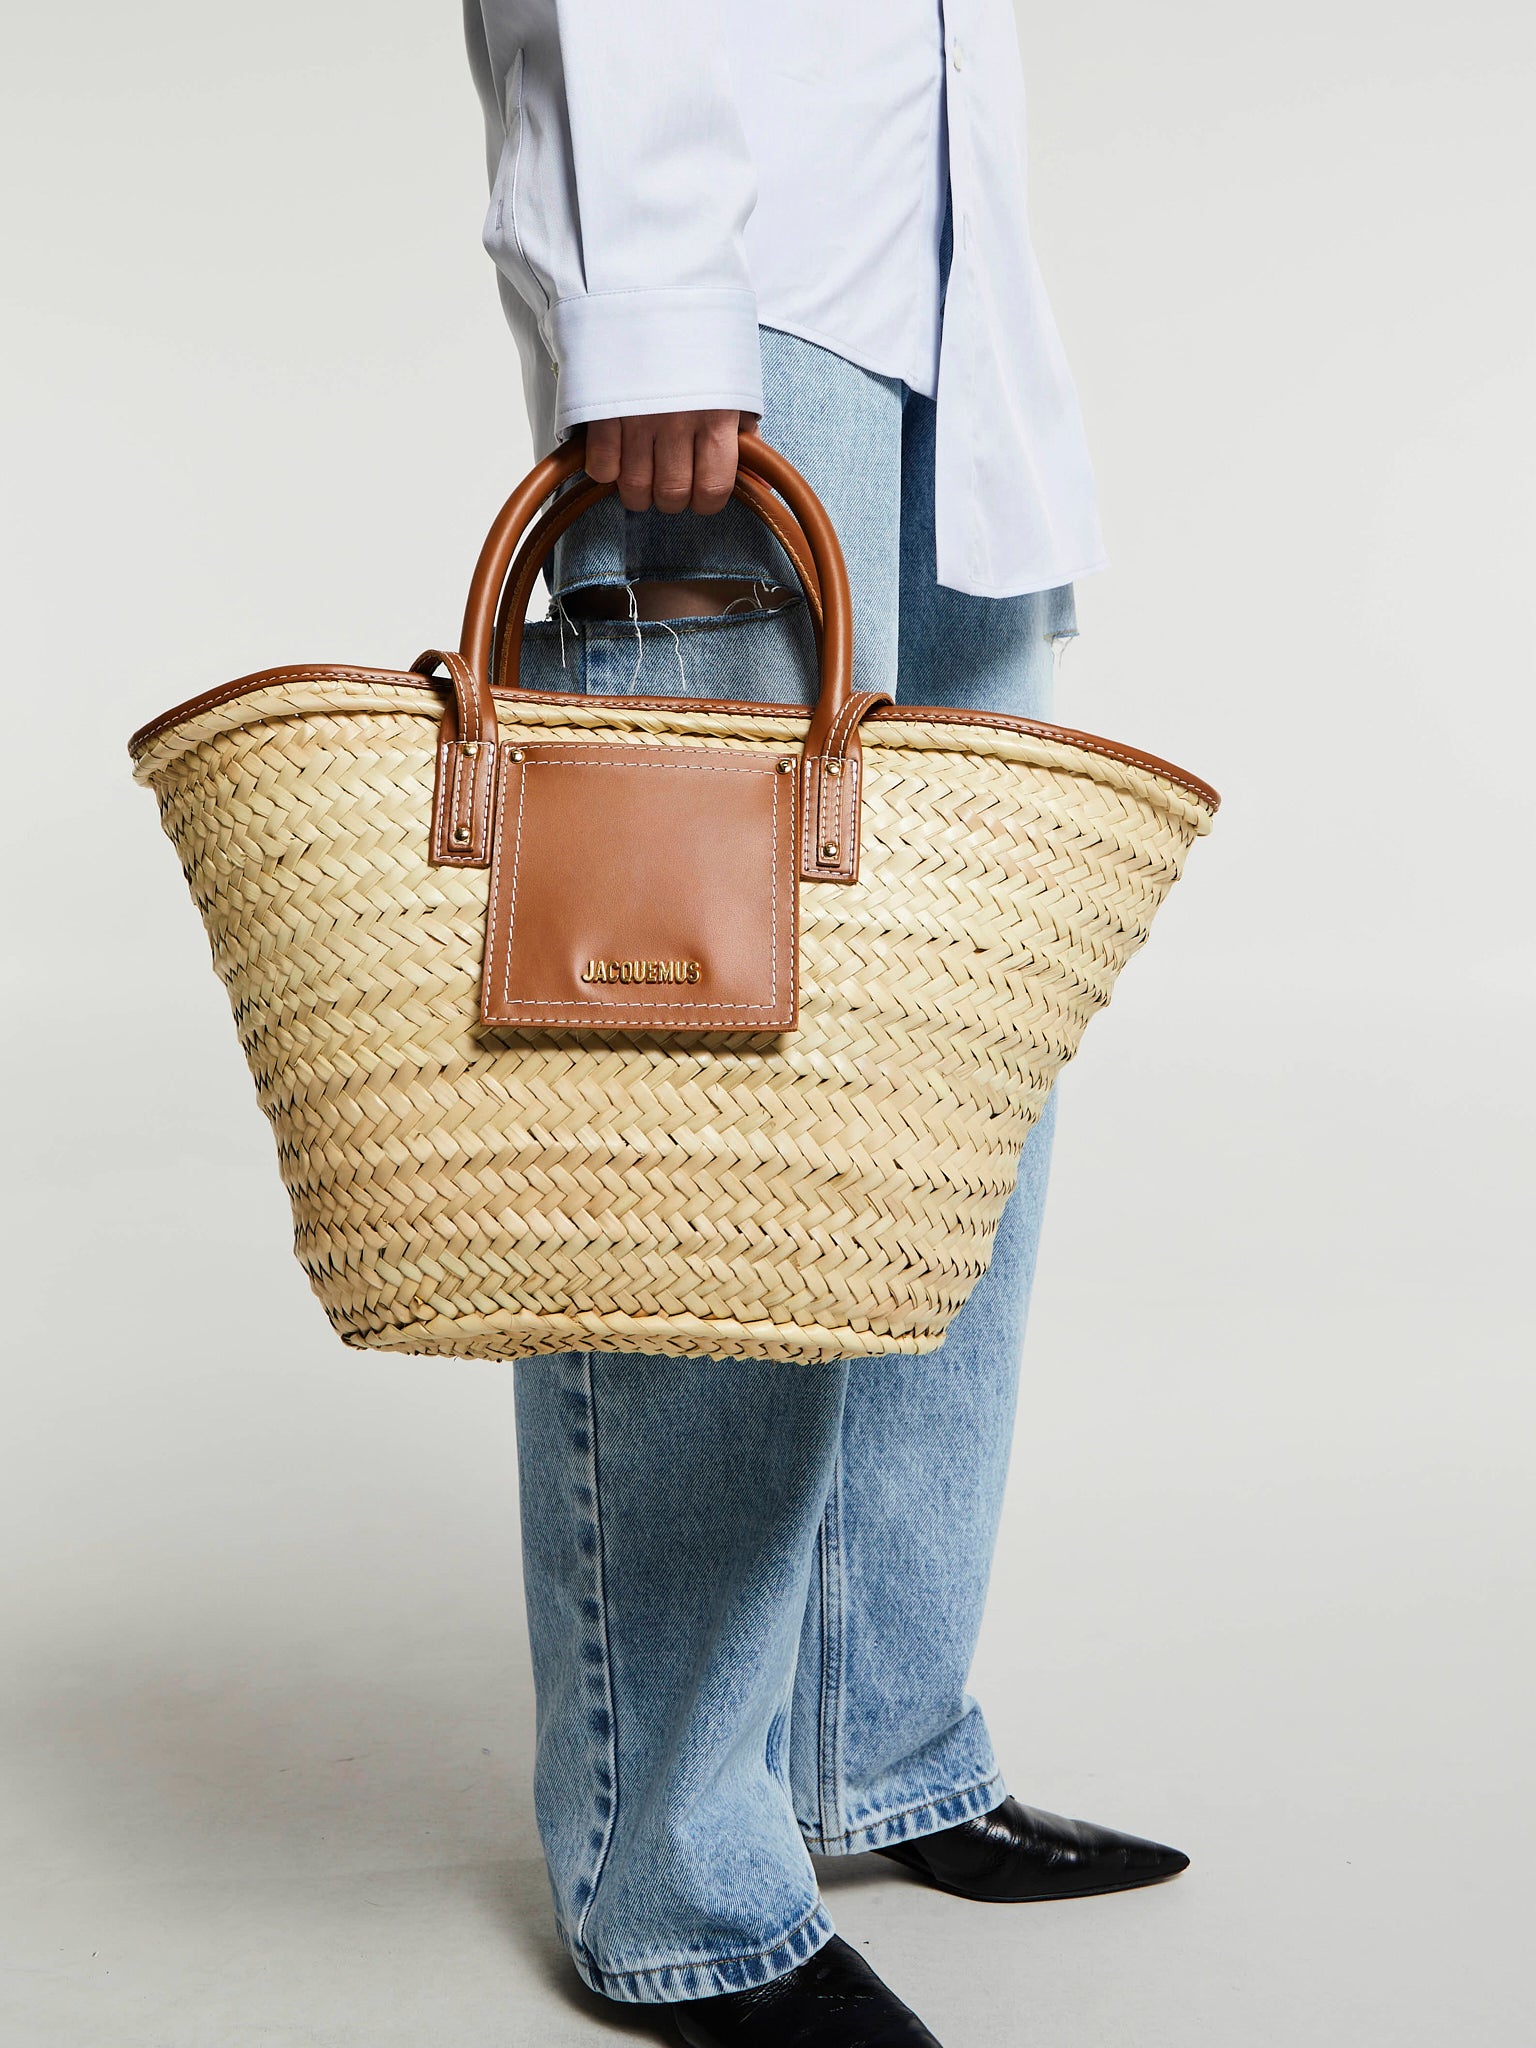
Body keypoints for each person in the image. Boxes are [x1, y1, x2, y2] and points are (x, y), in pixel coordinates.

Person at [463, 6, 1187, 2042]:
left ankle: (877, 1737)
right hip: (741, 290)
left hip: (938, 259)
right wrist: (651, 292)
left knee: (944, 1060)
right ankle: (678, 1871)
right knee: (705, 1082)